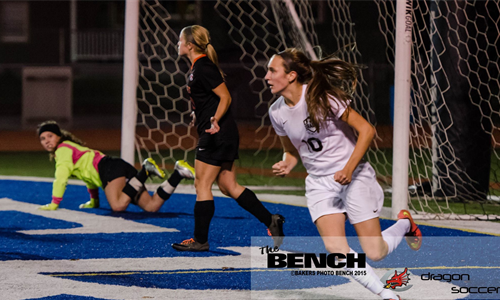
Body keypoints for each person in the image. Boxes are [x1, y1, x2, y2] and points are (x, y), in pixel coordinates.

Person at [265, 48, 422, 300]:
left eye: (273, 70)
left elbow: (367, 130)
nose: (267, 76)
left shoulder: (321, 97)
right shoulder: (276, 112)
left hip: (354, 175)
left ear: (292, 75)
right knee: (336, 249)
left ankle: (405, 224)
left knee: (375, 252)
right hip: (319, 183)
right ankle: (389, 295)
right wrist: (287, 163)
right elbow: (291, 151)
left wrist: (348, 168)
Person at [171, 25, 285, 252]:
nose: (178, 44)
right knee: (227, 185)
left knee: (201, 184)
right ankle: (272, 220)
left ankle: (200, 240)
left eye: (180, 40)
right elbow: (210, 98)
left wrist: (214, 120)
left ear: (190, 45)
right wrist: (199, 114)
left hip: (216, 134)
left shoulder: (202, 66)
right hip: (222, 133)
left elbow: (225, 96)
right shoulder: (198, 67)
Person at [37, 120, 195, 212]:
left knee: (118, 206)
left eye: (50, 136)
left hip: (110, 169)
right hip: (116, 167)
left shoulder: (63, 150)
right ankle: (178, 173)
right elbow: (87, 176)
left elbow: (61, 178)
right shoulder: (70, 147)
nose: (47, 141)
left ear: (59, 135)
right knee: (151, 206)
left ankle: (145, 172)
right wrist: (94, 200)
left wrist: (54, 203)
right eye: (43, 139)